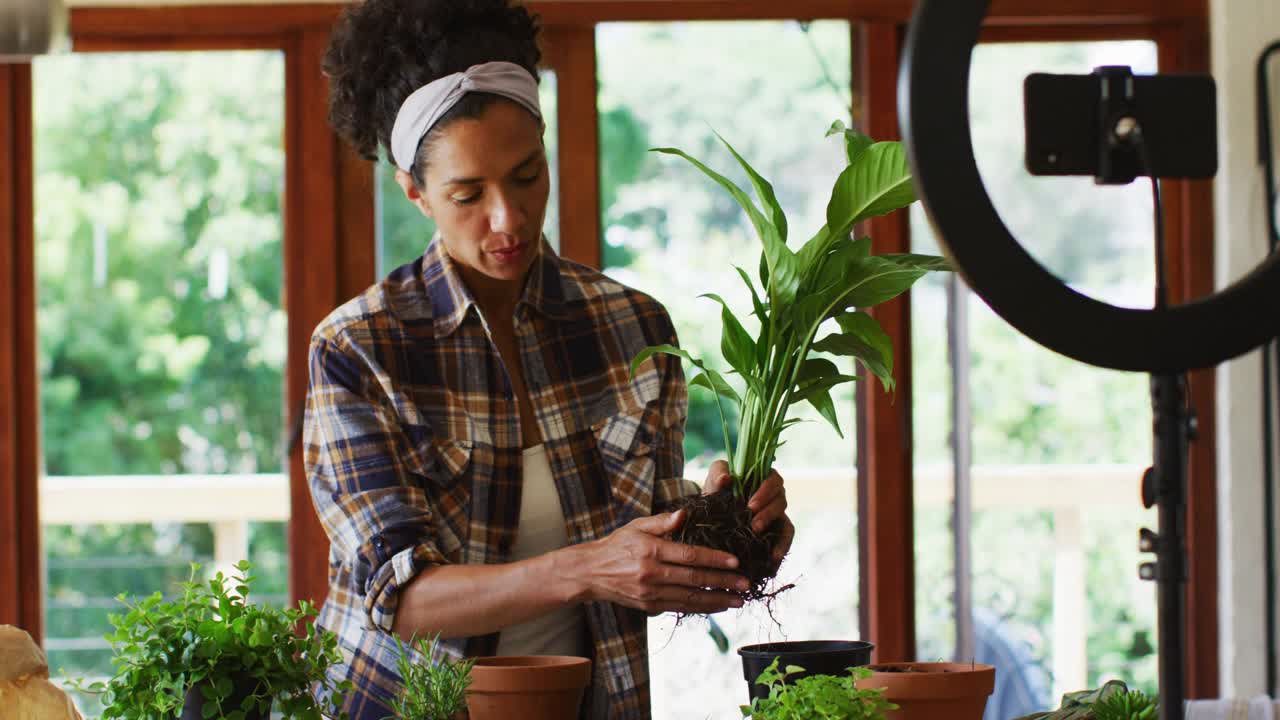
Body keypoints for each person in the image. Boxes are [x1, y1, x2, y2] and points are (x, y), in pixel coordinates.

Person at [308, 1, 795, 717]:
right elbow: (399, 597)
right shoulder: (359, 350)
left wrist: (734, 526)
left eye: (527, 175)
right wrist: (589, 570)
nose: (507, 219)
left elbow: (643, 551)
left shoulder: (632, 327)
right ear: (415, 192)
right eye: (468, 194)